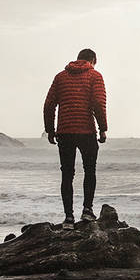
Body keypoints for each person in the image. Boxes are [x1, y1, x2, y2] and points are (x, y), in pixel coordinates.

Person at [43, 48, 107, 225]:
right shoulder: (95, 76)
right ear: (93, 60)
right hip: (86, 131)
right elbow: (98, 104)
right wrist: (102, 128)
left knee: (67, 174)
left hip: (64, 131)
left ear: (77, 59)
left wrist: (50, 129)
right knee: (90, 170)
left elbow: (49, 105)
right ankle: (87, 210)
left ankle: (68, 218)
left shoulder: (60, 77)